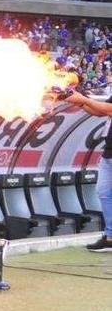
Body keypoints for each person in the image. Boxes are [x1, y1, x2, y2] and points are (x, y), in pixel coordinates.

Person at [55, 89, 112, 252]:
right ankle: (110, 237)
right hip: (108, 154)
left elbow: (108, 110)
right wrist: (79, 101)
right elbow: (99, 111)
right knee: (104, 193)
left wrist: (83, 99)